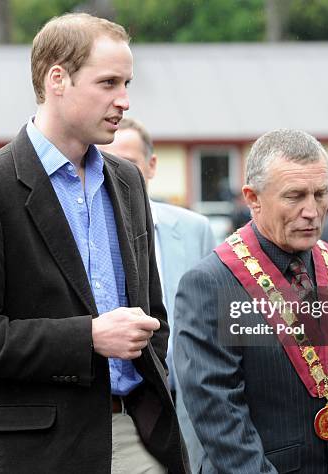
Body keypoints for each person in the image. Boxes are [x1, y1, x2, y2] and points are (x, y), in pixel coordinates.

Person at [0, 13, 188, 474]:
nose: (125, 100)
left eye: (126, 83)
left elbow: (153, 312)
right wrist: (87, 337)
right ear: (57, 79)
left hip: (139, 436)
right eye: (108, 82)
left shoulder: (127, 180)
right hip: (37, 452)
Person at [174, 129, 328, 473]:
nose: (312, 211)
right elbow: (219, 415)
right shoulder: (212, 282)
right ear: (253, 197)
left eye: (320, 194)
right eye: (295, 196)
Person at [100, 117, 215, 471]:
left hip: (190, 398)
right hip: (132, 406)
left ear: (150, 166)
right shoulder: (98, 235)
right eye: (107, 161)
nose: (115, 172)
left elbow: (214, 320)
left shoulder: (195, 230)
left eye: (128, 162)